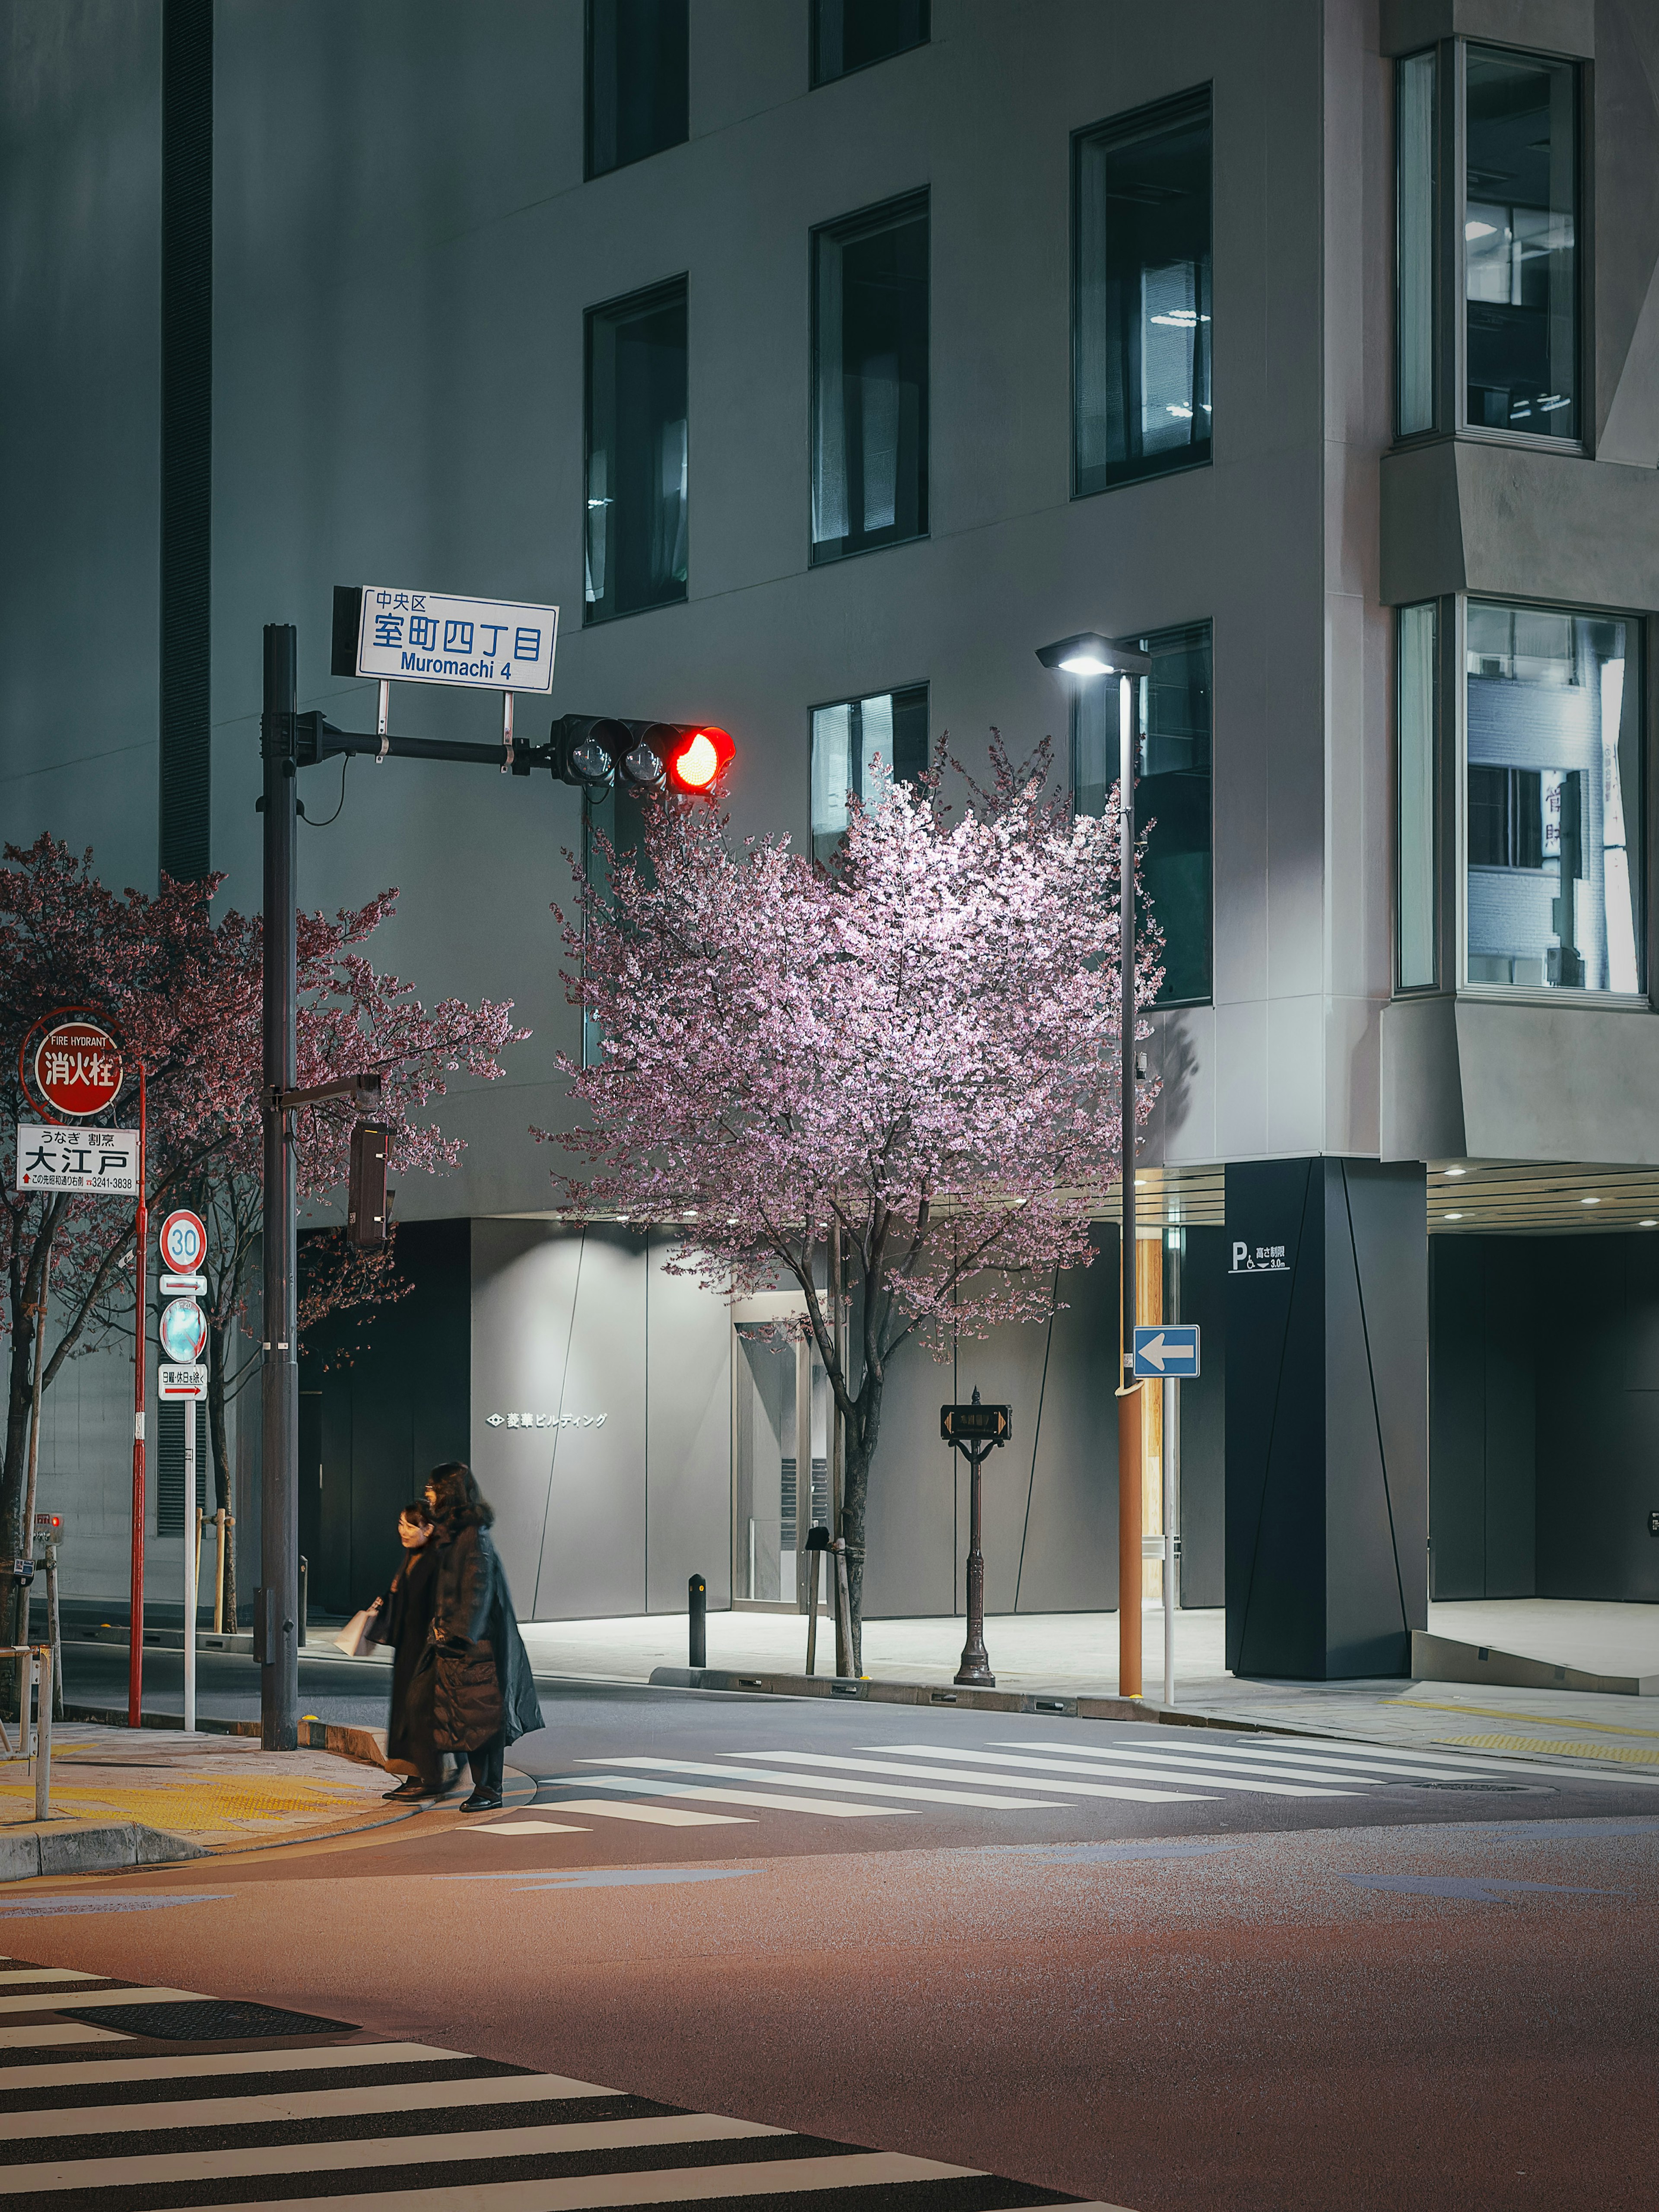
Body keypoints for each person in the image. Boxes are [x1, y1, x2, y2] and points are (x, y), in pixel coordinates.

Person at [422, 1461, 543, 1812]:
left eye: (432, 1487)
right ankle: (482, 1787)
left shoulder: (473, 1536)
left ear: (448, 1492)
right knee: (471, 1720)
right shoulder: (454, 1532)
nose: (427, 1493)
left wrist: (457, 1634)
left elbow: (478, 1590)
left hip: (477, 1650)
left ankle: (490, 1790)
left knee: (482, 1722)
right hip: (463, 1647)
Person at [372, 1497, 447, 1802]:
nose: (403, 1531)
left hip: (424, 1648)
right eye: (401, 1524)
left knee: (419, 1712)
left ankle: (428, 1777)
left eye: (411, 1526)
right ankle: (414, 1775)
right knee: (405, 1711)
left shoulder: (434, 1561)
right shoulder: (412, 1557)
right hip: (407, 1646)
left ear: (428, 1529)